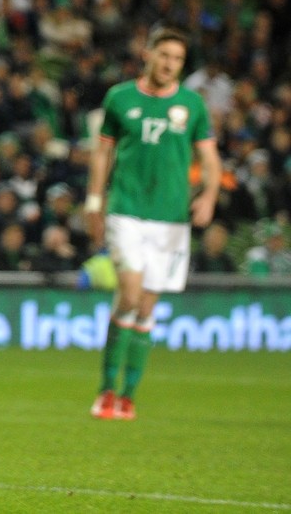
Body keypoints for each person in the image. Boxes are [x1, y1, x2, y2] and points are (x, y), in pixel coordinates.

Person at [86, 27, 220, 422]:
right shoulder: (120, 97)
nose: (169, 64)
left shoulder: (192, 106)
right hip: (126, 210)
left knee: (146, 307)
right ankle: (105, 391)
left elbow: (209, 158)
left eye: (177, 59)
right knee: (128, 293)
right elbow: (102, 153)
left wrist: (209, 195)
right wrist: (94, 202)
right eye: (163, 55)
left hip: (171, 219)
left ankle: (127, 396)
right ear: (147, 54)